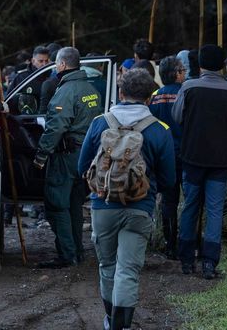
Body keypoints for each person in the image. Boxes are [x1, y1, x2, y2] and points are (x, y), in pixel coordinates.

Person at [79, 68, 175, 330]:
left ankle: (110, 321)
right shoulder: (159, 129)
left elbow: (82, 167)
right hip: (140, 208)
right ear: (150, 97)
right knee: (128, 271)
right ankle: (123, 326)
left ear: (120, 92)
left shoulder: (100, 122)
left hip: (103, 205)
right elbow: (168, 180)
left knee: (107, 265)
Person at [172, 44, 227, 279]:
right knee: (215, 210)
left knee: (190, 206)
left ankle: (186, 260)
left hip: (192, 157)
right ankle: (209, 263)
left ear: (201, 65)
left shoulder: (188, 87)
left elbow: (177, 116)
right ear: (222, 66)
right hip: (220, 159)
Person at [32, 47, 103, 268]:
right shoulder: (91, 90)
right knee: (74, 204)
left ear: (62, 65)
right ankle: (78, 251)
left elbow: (55, 127)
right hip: (86, 155)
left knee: (56, 204)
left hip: (66, 156)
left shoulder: (66, 91)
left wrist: (41, 155)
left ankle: (67, 254)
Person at [149, 55, 186, 259]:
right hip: (187, 155)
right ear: (177, 74)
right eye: (183, 70)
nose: (185, 73)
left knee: (168, 202)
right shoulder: (186, 93)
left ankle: (169, 244)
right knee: (191, 200)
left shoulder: (155, 96)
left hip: (164, 156)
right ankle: (190, 242)